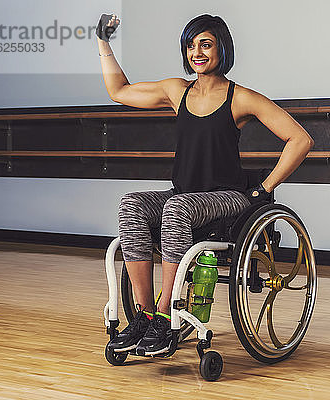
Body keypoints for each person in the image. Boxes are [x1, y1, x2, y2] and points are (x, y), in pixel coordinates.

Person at [97, 14, 314, 356]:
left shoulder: (240, 97)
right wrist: (104, 42)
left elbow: (300, 140)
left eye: (205, 44)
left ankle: (166, 314)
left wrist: (265, 187)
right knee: (132, 204)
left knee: (177, 208)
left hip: (226, 196)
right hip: (183, 193)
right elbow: (119, 91)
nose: (196, 52)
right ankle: (144, 316)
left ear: (221, 49)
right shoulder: (175, 91)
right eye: (190, 45)